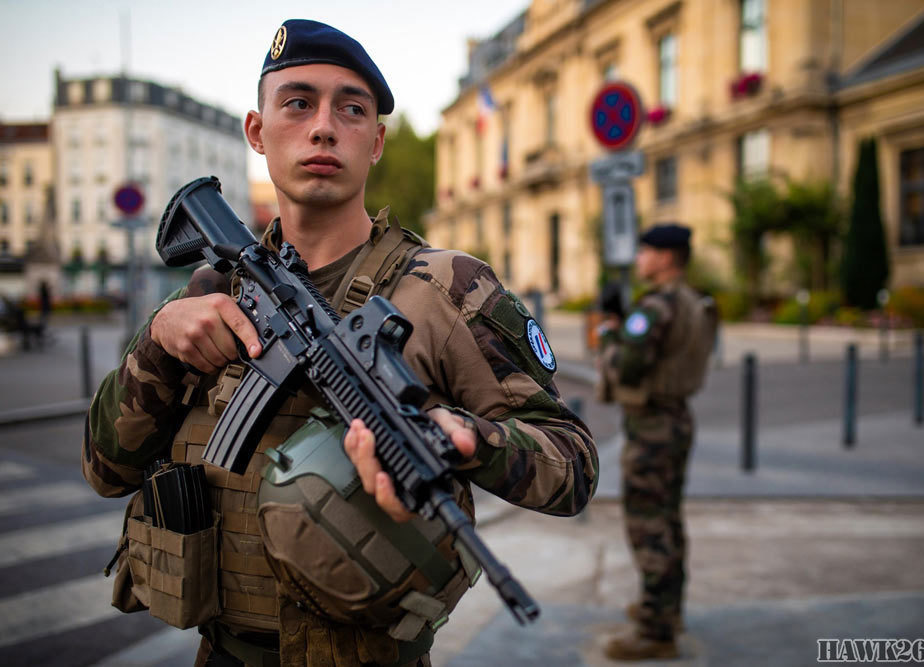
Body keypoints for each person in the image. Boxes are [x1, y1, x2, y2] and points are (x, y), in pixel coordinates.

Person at [82, 19, 597, 667]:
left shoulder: (448, 288)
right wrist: (157, 342)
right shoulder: (211, 287)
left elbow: (573, 466)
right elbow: (104, 470)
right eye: (298, 103)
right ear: (256, 130)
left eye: (350, 109)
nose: (324, 126)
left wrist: (468, 438)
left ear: (376, 141)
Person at [595, 224, 716, 661]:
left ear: (666, 258)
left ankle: (655, 630)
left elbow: (628, 368)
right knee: (668, 519)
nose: (640, 258)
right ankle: (668, 607)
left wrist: (610, 332)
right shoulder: (693, 300)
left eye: (646, 251)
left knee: (649, 525)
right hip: (677, 418)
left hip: (652, 428)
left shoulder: (658, 305)